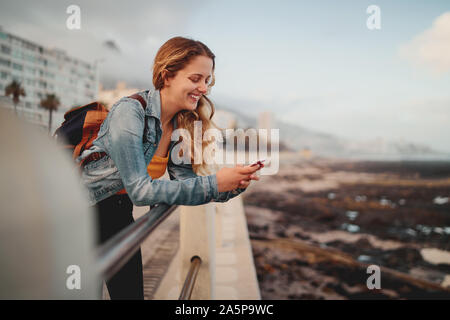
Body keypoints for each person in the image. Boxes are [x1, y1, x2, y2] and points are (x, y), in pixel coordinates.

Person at [78, 37, 263, 299]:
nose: (204, 88)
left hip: (119, 216)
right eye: (196, 78)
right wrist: (216, 182)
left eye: (207, 81)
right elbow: (141, 190)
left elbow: (184, 182)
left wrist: (234, 184)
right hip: (79, 214)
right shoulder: (129, 112)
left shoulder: (180, 124)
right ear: (167, 77)